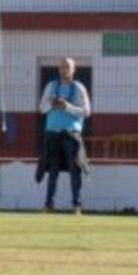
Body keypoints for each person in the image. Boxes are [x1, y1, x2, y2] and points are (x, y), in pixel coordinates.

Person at [36, 57, 91, 214]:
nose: (64, 70)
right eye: (61, 67)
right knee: (52, 170)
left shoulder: (79, 88)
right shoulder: (51, 86)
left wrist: (68, 107)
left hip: (71, 133)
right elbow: (41, 108)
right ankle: (49, 204)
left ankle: (76, 205)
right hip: (52, 133)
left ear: (73, 70)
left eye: (67, 67)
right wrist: (51, 105)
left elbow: (87, 112)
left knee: (75, 170)